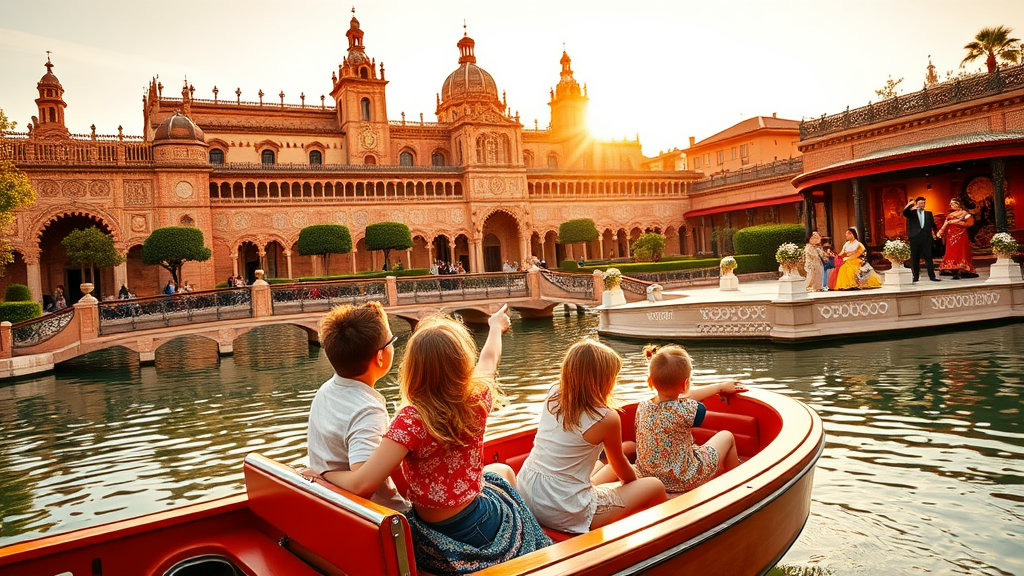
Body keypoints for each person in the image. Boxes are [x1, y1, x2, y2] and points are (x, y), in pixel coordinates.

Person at [329, 306, 551, 574]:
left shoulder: (411, 420)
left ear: (413, 368)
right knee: (502, 477)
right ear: (461, 363)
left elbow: (361, 482)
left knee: (500, 475)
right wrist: (494, 327)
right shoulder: (478, 398)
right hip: (480, 519)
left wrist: (323, 474)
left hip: (434, 534)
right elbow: (490, 357)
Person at [516, 340, 667, 534]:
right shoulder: (606, 417)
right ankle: (662, 536)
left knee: (602, 468)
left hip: (527, 492)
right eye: (613, 377)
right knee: (654, 486)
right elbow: (620, 467)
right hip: (563, 508)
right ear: (602, 381)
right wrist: (637, 481)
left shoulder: (554, 392)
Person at [307, 302, 410, 511]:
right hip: (384, 518)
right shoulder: (368, 410)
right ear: (380, 356)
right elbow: (362, 485)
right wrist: (325, 475)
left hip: (344, 511)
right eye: (392, 341)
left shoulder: (326, 391)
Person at [634, 345, 740, 493]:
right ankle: (738, 486)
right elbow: (690, 404)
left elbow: (671, 401)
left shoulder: (642, 407)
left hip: (648, 477)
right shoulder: (689, 410)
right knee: (726, 436)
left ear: (650, 382)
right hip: (684, 479)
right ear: (684, 384)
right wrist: (720, 387)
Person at [903, 196, 940, 282]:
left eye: (923, 203)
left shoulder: (928, 213)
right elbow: (904, 212)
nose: (922, 204)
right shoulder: (912, 213)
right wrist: (910, 204)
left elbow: (933, 225)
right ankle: (915, 276)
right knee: (915, 257)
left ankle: (932, 276)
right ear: (917, 203)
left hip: (926, 237)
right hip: (914, 237)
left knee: (928, 257)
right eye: (920, 203)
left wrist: (936, 233)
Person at [937, 198, 976, 280]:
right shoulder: (950, 215)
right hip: (950, 235)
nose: (951, 206)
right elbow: (945, 224)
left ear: (958, 204)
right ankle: (953, 269)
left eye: (953, 204)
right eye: (951, 204)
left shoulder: (964, 213)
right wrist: (940, 232)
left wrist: (955, 222)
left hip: (961, 235)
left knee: (961, 251)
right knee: (951, 252)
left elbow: (969, 223)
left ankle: (963, 269)